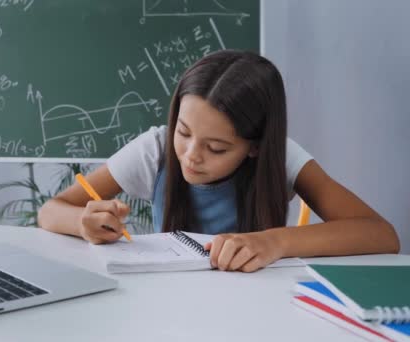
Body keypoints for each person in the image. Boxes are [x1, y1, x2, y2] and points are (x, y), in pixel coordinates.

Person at [37, 50, 400, 272]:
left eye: (217, 148)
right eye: (183, 131)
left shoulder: (282, 158)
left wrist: (275, 243)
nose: (191, 155)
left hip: (258, 309)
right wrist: (83, 223)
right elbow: (51, 211)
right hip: (166, 306)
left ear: (255, 147)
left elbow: (380, 234)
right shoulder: (156, 148)